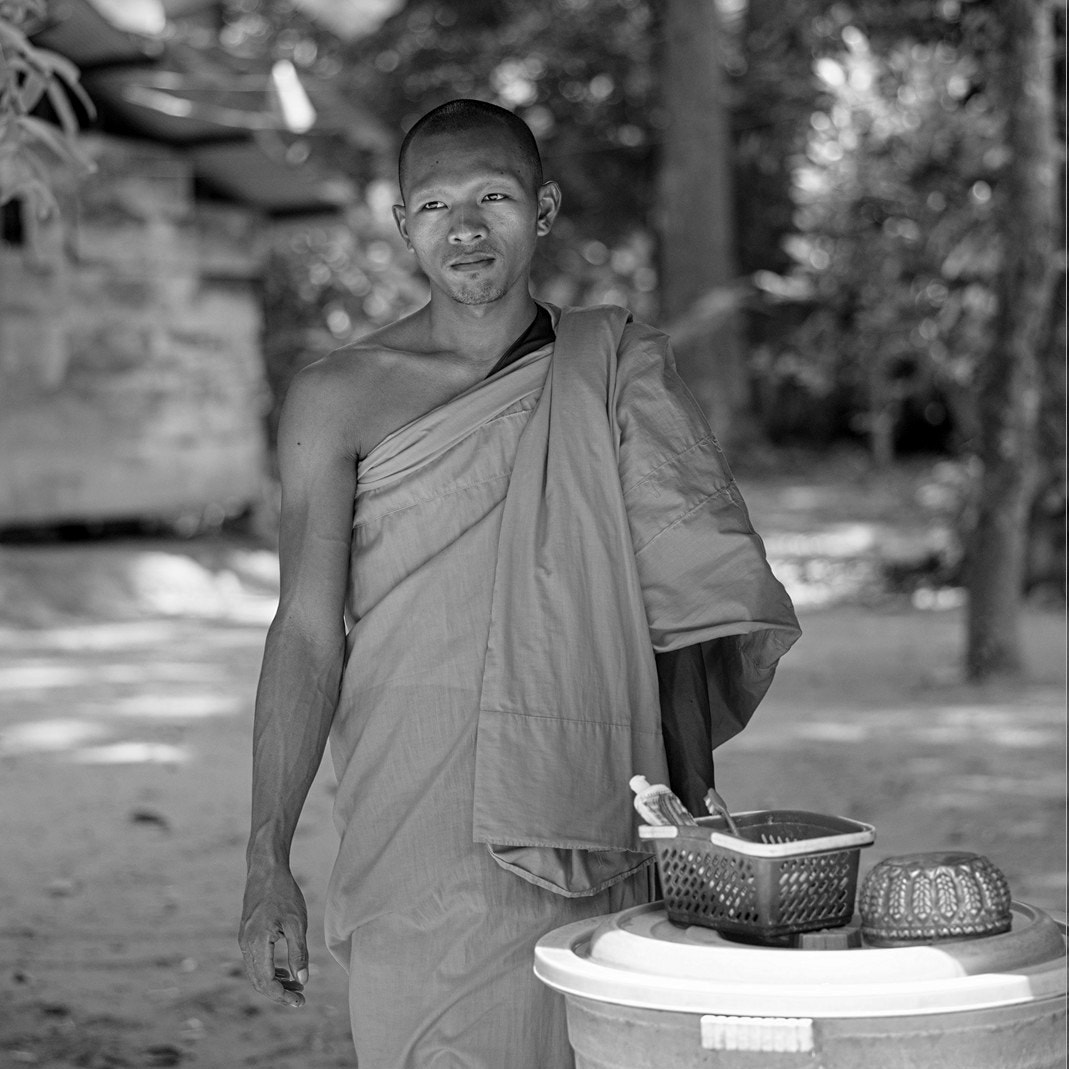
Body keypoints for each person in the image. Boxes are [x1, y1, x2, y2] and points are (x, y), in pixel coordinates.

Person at [238, 98, 800, 1068]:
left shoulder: (613, 370)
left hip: (596, 800)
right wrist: (265, 857)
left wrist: (693, 827)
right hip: (411, 810)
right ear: (403, 225)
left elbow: (679, 605)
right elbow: (302, 630)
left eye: (493, 196)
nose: (463, 229)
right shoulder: (337, 397)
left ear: (540, 212)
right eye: (434, 205)